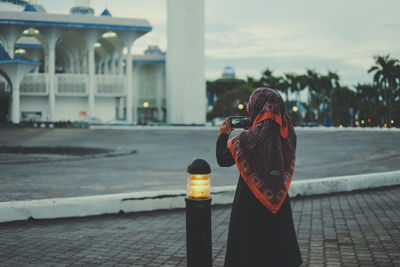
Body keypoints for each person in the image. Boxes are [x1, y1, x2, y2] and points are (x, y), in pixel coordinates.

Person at [216, 88, 302, 267]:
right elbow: (273, 132)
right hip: (278, 200)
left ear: (255, 108)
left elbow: (223, 159)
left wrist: (223, 134)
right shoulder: (289, 135)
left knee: (249, 252)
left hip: (249, 202)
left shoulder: (247, 138)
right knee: (277, 251)